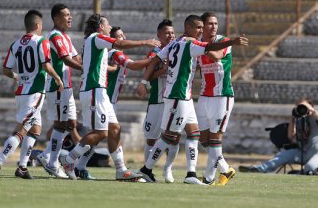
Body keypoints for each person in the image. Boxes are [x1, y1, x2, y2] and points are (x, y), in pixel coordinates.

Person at [136, 15, 248, 184]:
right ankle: (146, 169)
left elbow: (155, 60)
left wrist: (144, 81)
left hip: (185, 97)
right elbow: (211, 47)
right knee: (169, 136)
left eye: (203, 27)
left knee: (194, 134)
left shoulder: (175, 43)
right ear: (188, 27)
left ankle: (191, 175)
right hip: (177, 95)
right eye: (198, 28)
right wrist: (232, 42)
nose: (201, 31)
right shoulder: (190, 44)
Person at [59, 13, 160, 181]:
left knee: (114, 129)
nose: (110, 27)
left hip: (101, 92)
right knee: (101, 133)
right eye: (108, 25)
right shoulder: (96, 37)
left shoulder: (96, 42)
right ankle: (69, 160)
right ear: (100, 27)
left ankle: (121, 170)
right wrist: (145, 42)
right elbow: (120, 46)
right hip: (93, 90)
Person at [0, 9, 64, 179]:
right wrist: (58, 78)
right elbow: (46, 66)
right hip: (35, 92)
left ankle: (22, 167)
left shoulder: (15, 44)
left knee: (35, 129)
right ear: (37, 25)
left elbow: (6, 70)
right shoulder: (41, 41)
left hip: (21, 92)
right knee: (21, 130)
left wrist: (17, 76)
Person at [36, 3, 83, 180]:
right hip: (58, 87)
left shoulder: (65, 37)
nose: (70, 17)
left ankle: (46, 155)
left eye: (70, 14)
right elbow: (67, 60)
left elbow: (76, 57)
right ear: (56, 18)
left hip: (67, 87)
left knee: (71, 123)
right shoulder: (55, 37)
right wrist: (85, 69)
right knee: (61, 125)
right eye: (66, 15)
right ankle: (53, 163)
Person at [195, 12, 238, 185]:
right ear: (202, 26)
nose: (214, 26)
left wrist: (199, 45)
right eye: (210, 23)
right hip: (205, 95)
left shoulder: (223, 40)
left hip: (222, 96)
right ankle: (223, 169)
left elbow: (217, 55)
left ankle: (210, 177)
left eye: (216, 23)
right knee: (203, 138)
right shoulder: (198, 43)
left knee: (215, 138)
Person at [138, 19, 179, 183]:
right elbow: (148, 75)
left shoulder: (178, 50)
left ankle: (168, 169)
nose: (171, 36)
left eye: (172, 33)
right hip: (156, 100)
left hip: (173, 100)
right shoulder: (153, 54)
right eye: (167, 33)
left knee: (174, 136)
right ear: (159, 35)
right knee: (151, 137)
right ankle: (148, 171)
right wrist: (162, 69)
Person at [239, 98, 318, 174]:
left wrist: (311, 110)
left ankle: (304, 172)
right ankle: (259, 169)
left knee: (310, 167)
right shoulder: (299, 119)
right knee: (282, 155)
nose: (301, 108)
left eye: (304, 106)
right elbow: (291, 136)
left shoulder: (315, 117)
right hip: (302, 152)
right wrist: (293, 118)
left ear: (311, 106)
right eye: (299, 106)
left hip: (316, 153)